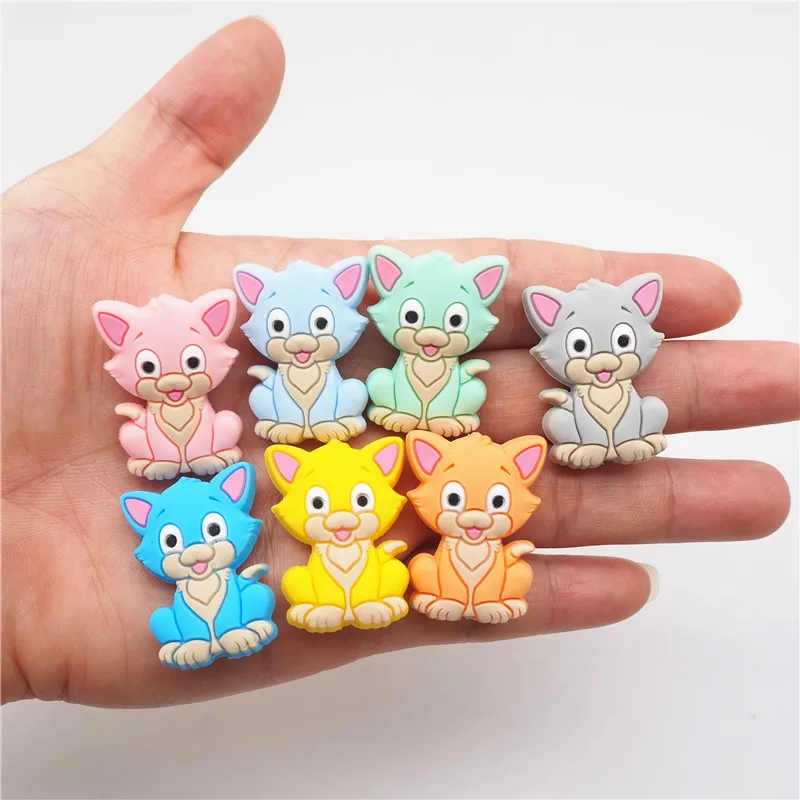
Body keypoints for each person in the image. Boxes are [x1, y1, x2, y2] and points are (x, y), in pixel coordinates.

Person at [1, 18, 796, 708]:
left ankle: (564, 461)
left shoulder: (455, 415)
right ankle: (247, 593)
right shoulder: (257, 429)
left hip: (413, 434)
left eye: (451, 321)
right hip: (302, 443)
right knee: (293, 475)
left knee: (459, 470)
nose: (302, 342)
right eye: (415, 317)